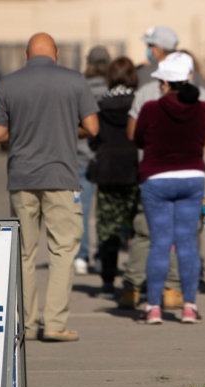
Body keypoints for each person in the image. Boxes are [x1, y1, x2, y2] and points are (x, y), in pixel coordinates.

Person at [0, 33, 99, 342]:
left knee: (24, 252)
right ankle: (54, 322)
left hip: (22, 177)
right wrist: (65, 128)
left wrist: (24, 133)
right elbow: (92, 127)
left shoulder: (9, 83)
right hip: (61, 177)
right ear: (58, 53)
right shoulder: (74, 80)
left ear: (26, 54)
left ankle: (25, 323)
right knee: (63, 248)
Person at [120, 50, 205, 310]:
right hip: (192, 176)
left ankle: (151, 304)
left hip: (155, 177)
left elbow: (137, 137)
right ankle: (187, 304)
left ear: (164, 82)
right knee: (187, 241)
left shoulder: (149, 103)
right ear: (188, 77)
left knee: (157, 241)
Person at [87, 57, 139, 298]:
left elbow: (93, 138)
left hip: (107, 171)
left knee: (108, 227)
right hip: (134, 170)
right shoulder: (140, 103)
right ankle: (136, 279)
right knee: (137, 227)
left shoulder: (99, 105)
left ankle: (108, 280)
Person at [74, 45, 110, 275]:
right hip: (106, 157)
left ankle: (81, 255)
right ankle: (103, 256)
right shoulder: (111, 89)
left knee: (81, 210)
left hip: (80, 156)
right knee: (105, 211)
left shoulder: (79, 88)